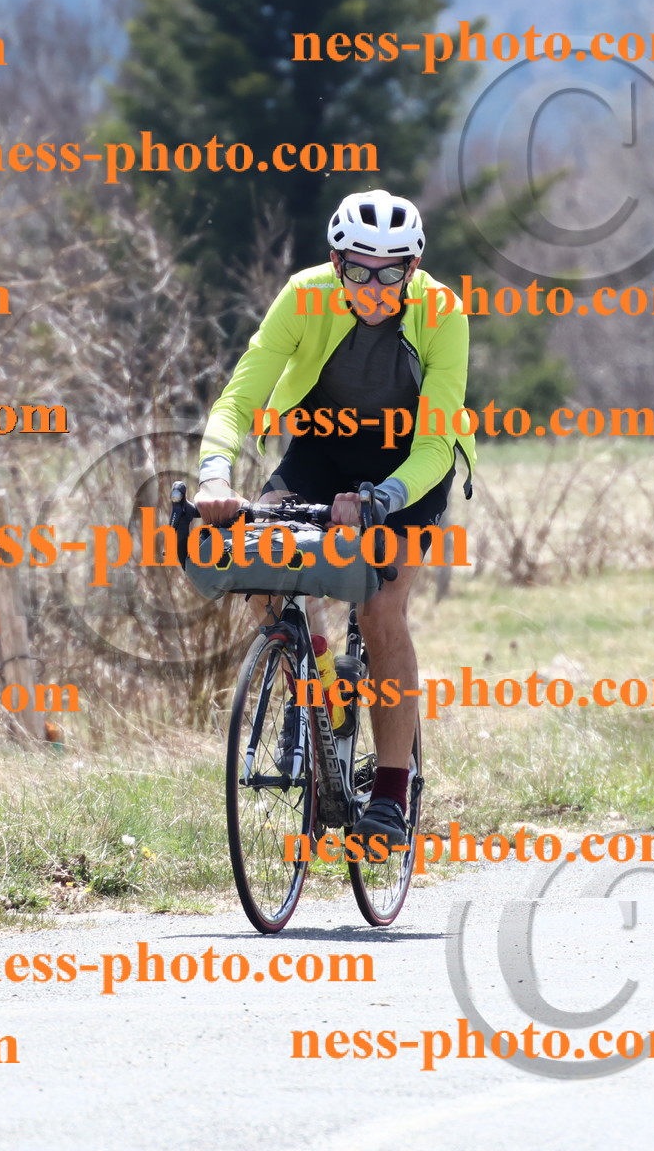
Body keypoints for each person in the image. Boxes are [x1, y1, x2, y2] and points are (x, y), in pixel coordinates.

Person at [195, 189, 476, 843]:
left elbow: (436, 444)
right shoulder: (303, 295)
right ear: (335, 261)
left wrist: (382, 498)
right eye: (358, 269)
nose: (375, 286)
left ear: (415, 267)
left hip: (410, 465)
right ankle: (311, 684)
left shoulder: (442, 312)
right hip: (321, 448)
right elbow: (239, 400)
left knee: (381, 608)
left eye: (392, 270)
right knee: (260, 561)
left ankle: (391, 791)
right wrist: (214, 476)